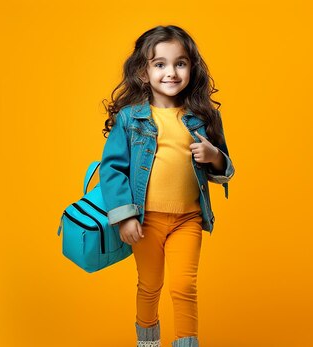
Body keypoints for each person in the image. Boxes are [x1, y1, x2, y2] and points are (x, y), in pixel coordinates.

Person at [99, 25, 235, 347]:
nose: (171, 72)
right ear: (143, 72)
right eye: (159, 64)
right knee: (149, 285)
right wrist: (125, 216)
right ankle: (148, 343)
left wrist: (214, 156)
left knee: (184, 287)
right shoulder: (130, 118)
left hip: (188, 219)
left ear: (192, 68)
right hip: (146, 221)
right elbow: (112, 169)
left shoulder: (204, 117)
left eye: (180, 63)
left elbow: (225, 168)